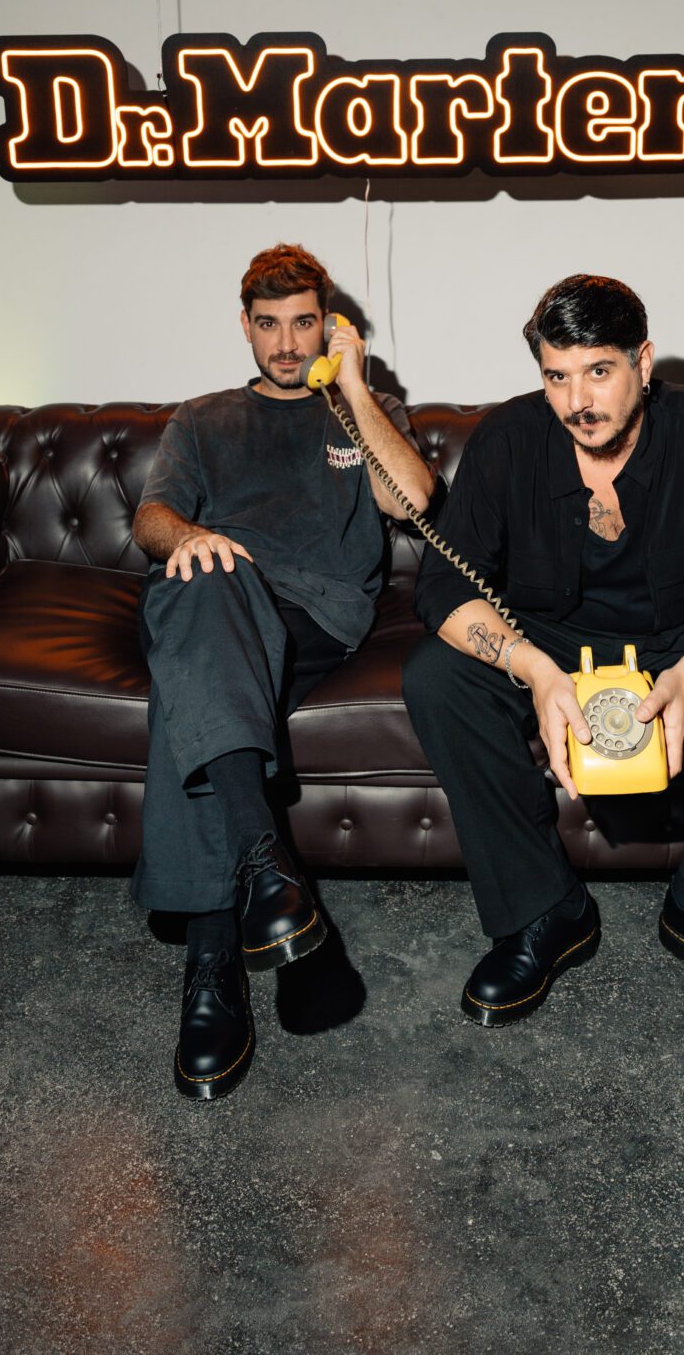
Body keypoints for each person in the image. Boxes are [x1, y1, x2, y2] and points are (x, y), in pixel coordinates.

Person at [403, 274, 684, 1032]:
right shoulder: (508, 440)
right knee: (436, 678)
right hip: (548, 642)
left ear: (643, 360)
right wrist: (532, 668)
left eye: (599, 371)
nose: (578, 401)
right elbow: (444, 586)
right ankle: (542, 910)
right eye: (557, 377)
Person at [131, 243, 434, 1098]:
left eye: (305, 324)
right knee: (203, 597)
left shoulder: (360, 410)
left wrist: (354, 386)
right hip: (215, 595)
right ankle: (269, 878)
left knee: (189, 691)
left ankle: (213, 963)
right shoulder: (203, 418)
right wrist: (193, 538)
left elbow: (413, 500)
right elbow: (151, 519)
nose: (288, 344)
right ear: (246, 327)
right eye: (270, 325)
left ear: (329, 327)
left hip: (316, 613)